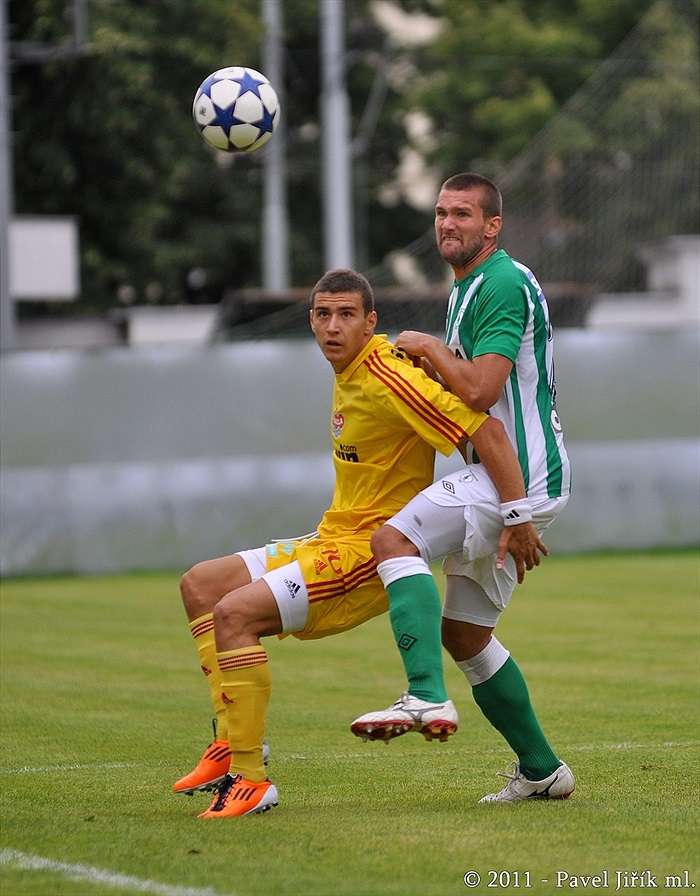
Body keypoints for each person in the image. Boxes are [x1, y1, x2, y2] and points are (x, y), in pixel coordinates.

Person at [173, 267, 545, 819]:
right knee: (200, 585)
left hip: (363, 557)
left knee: (233, 617)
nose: (332, 326)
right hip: (330, 536)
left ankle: (251, 780)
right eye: (323, 314)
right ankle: (229, 744)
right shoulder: (348, 369)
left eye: (347, 315)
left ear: (371, 322)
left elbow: (484, 429)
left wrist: (518, 514)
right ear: (310, 320)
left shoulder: (388, 373)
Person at [351, 173, 575, 803]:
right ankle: (543, 770)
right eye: (442, 214)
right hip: (512, 480)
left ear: (492, 227)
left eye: (464, 215)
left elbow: (478, 391)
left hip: (516, 476)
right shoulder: (468, 287)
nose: (448, 224)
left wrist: (424, 347)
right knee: (466, 634)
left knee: (393, 540)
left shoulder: (500, 282)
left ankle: (423, 695)